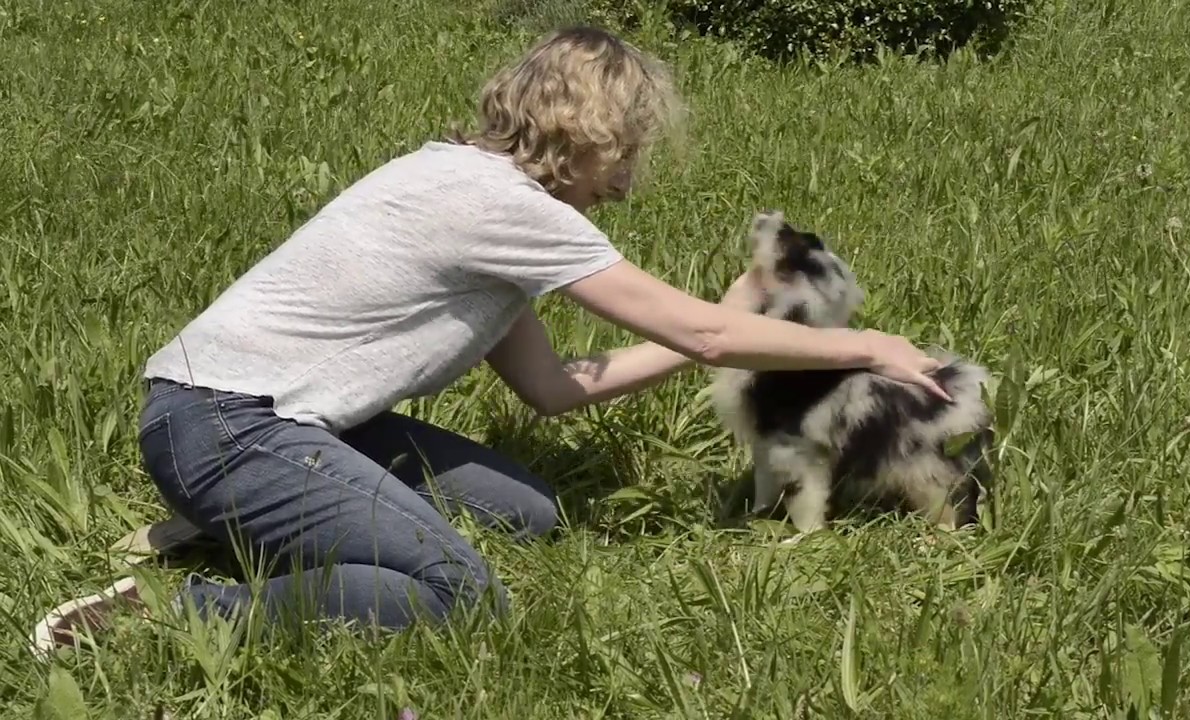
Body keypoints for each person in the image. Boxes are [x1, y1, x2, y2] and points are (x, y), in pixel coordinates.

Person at [31, 25, 950, 653]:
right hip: (227, 424)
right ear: (580, 133)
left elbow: (556, 390)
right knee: (457, 595)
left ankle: (238, 519)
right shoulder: (502, 208)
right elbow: (708, 339)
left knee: (532, 515)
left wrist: (726, 313)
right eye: (624, 152)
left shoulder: (477, 200)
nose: (626, 182)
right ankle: (169, 615)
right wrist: (869, 346)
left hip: (284, 423)